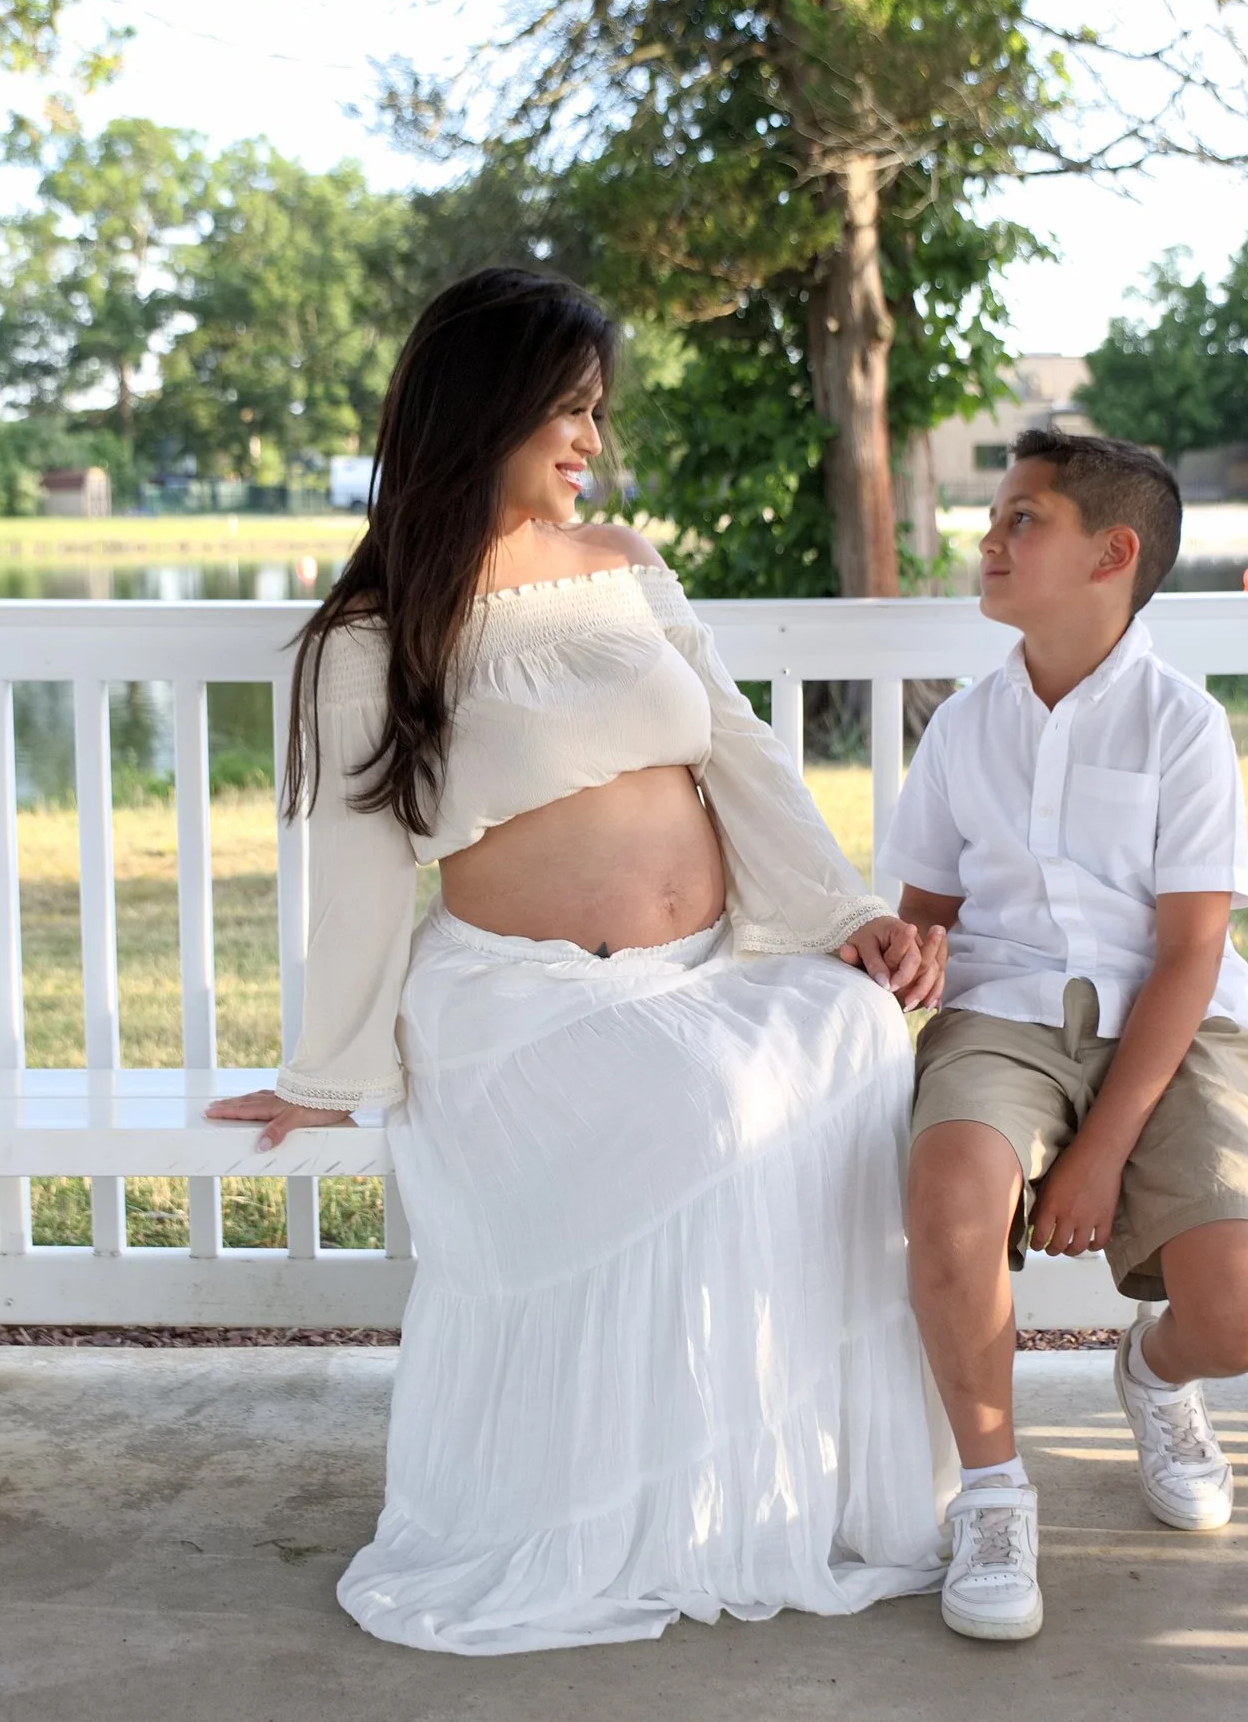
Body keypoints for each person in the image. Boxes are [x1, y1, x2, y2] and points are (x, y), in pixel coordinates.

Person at [205, 267, 950, 1655]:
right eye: (569, 411)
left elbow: (736, 748)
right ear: (484, 411)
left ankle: (766, 1489)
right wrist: (329, 1071)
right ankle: (628, 1507)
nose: (590, 442)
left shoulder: (621, 561)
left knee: (855, 1032)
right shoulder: (374, 633)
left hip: (706, 973)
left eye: (595, 413)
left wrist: (840, 909)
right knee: (710, 1104)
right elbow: (356, 869)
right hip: (522, 1004)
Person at [883, 429, 1248, 1643]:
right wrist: (909, 952)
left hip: (1170, 1028)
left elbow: (1189, 955)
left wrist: (1102, 1151)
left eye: (1023, 519)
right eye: (994, 516)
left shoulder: (1181, 727)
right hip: (1004, 1018)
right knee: (950, 1190)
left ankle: (1154, 1378)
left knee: (1244, 1315)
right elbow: (928, 910)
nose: (989, 539)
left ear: (1112, 556)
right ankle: (993, 1492)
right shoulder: (963, 727)